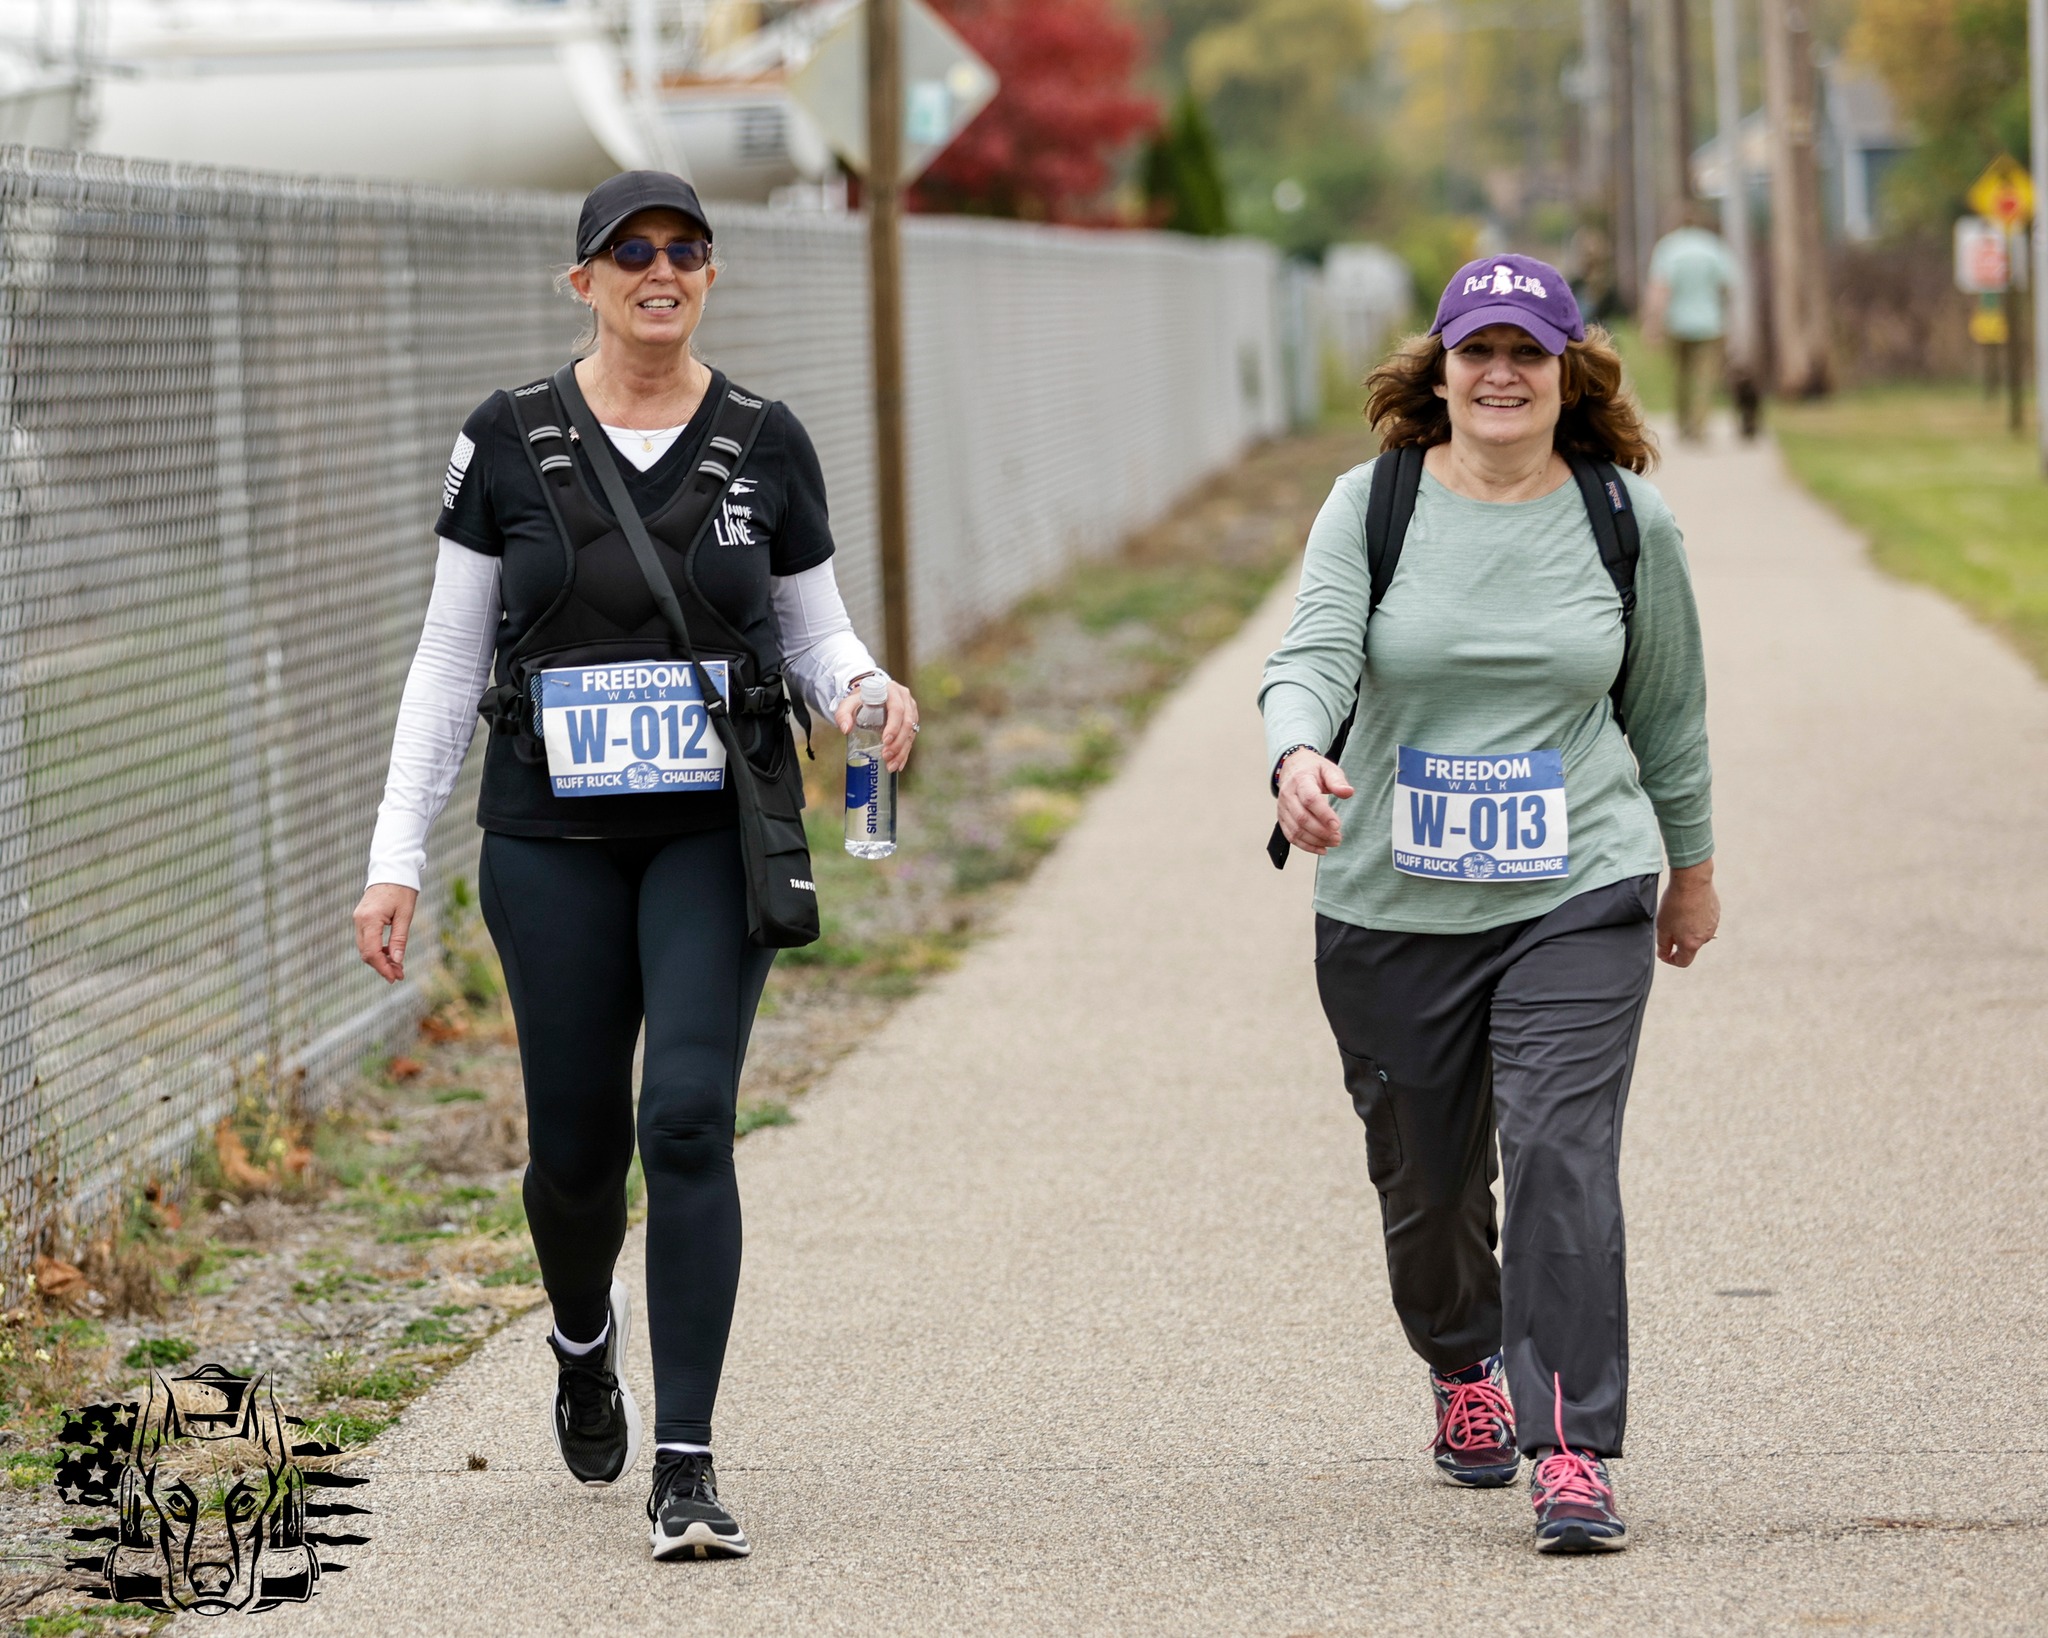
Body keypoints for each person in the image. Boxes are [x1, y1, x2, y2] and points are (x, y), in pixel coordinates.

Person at [351, 171, 919, 1562]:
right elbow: (443, 662)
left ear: (709, 278)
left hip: (706, 838)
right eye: (630, 253)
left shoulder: (768, 442)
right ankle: (583, 1334)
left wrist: (865, 687)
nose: (659, 271)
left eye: (684, 252)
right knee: (577, 1152)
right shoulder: (506, 438)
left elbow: (810, 633)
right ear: (584, 282)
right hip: (547, 840)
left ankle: (687, 1462)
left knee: (684, 1121)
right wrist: (393, 860)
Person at [1260, 254, 1717, 1554]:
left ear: (1571, 371)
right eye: (1479, 350)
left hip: (1578, 884)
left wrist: (1690, 867)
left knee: (1564, 1155)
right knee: (1432, 1181)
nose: (1502, 373)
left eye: (1529, 350)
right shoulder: (1375, 503)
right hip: (1394, 898)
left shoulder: (1630, 520)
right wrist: (1297, 754)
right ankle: (1464, 1363)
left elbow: (1668, 713)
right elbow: (1310, 658)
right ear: (1442, 368)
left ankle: (1569, 1445)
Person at [1643, 205, 1742, 442]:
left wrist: (1652, 323)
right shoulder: (1713, 246)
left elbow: (1659, 289)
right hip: (1709, 323)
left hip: (1677, 323)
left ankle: (1684, 425)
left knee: (1680, 376)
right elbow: (1728, 284)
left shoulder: (1668, 248)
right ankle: (1699, 426)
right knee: (1704, 377)